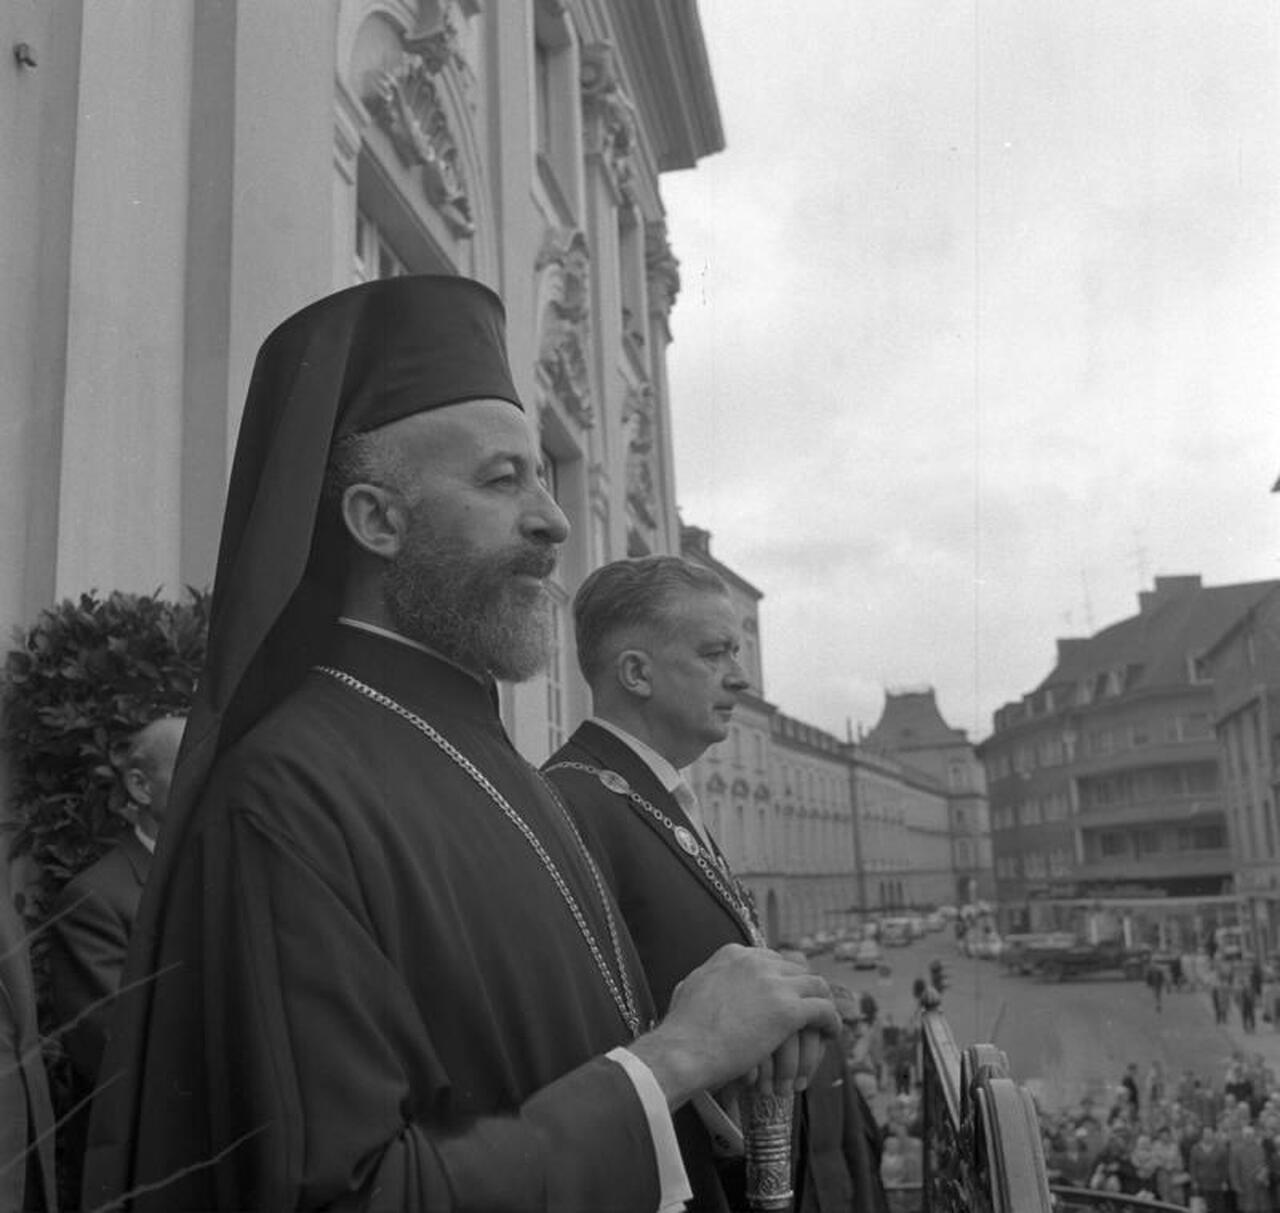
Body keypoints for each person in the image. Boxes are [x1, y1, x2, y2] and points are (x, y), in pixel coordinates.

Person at [81, 276, 839, 1212]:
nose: (554, 518)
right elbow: (351, 1194)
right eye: (501, 479)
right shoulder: (283, 792)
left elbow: (557, 1060)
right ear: (378, 520)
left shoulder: (495, 759)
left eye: (542, 476)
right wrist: (675, 1056)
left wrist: (722, 1057)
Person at [543, 555, 887, 1213]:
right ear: (637, 672)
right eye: (715, 653)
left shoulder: (647, 793)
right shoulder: (571, 803)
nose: (743, 676)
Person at [48, 715, 185, 1086]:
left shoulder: (227, 875)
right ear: (140, 787)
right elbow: (111, 1049)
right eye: (192, 769)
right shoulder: (93, 900)